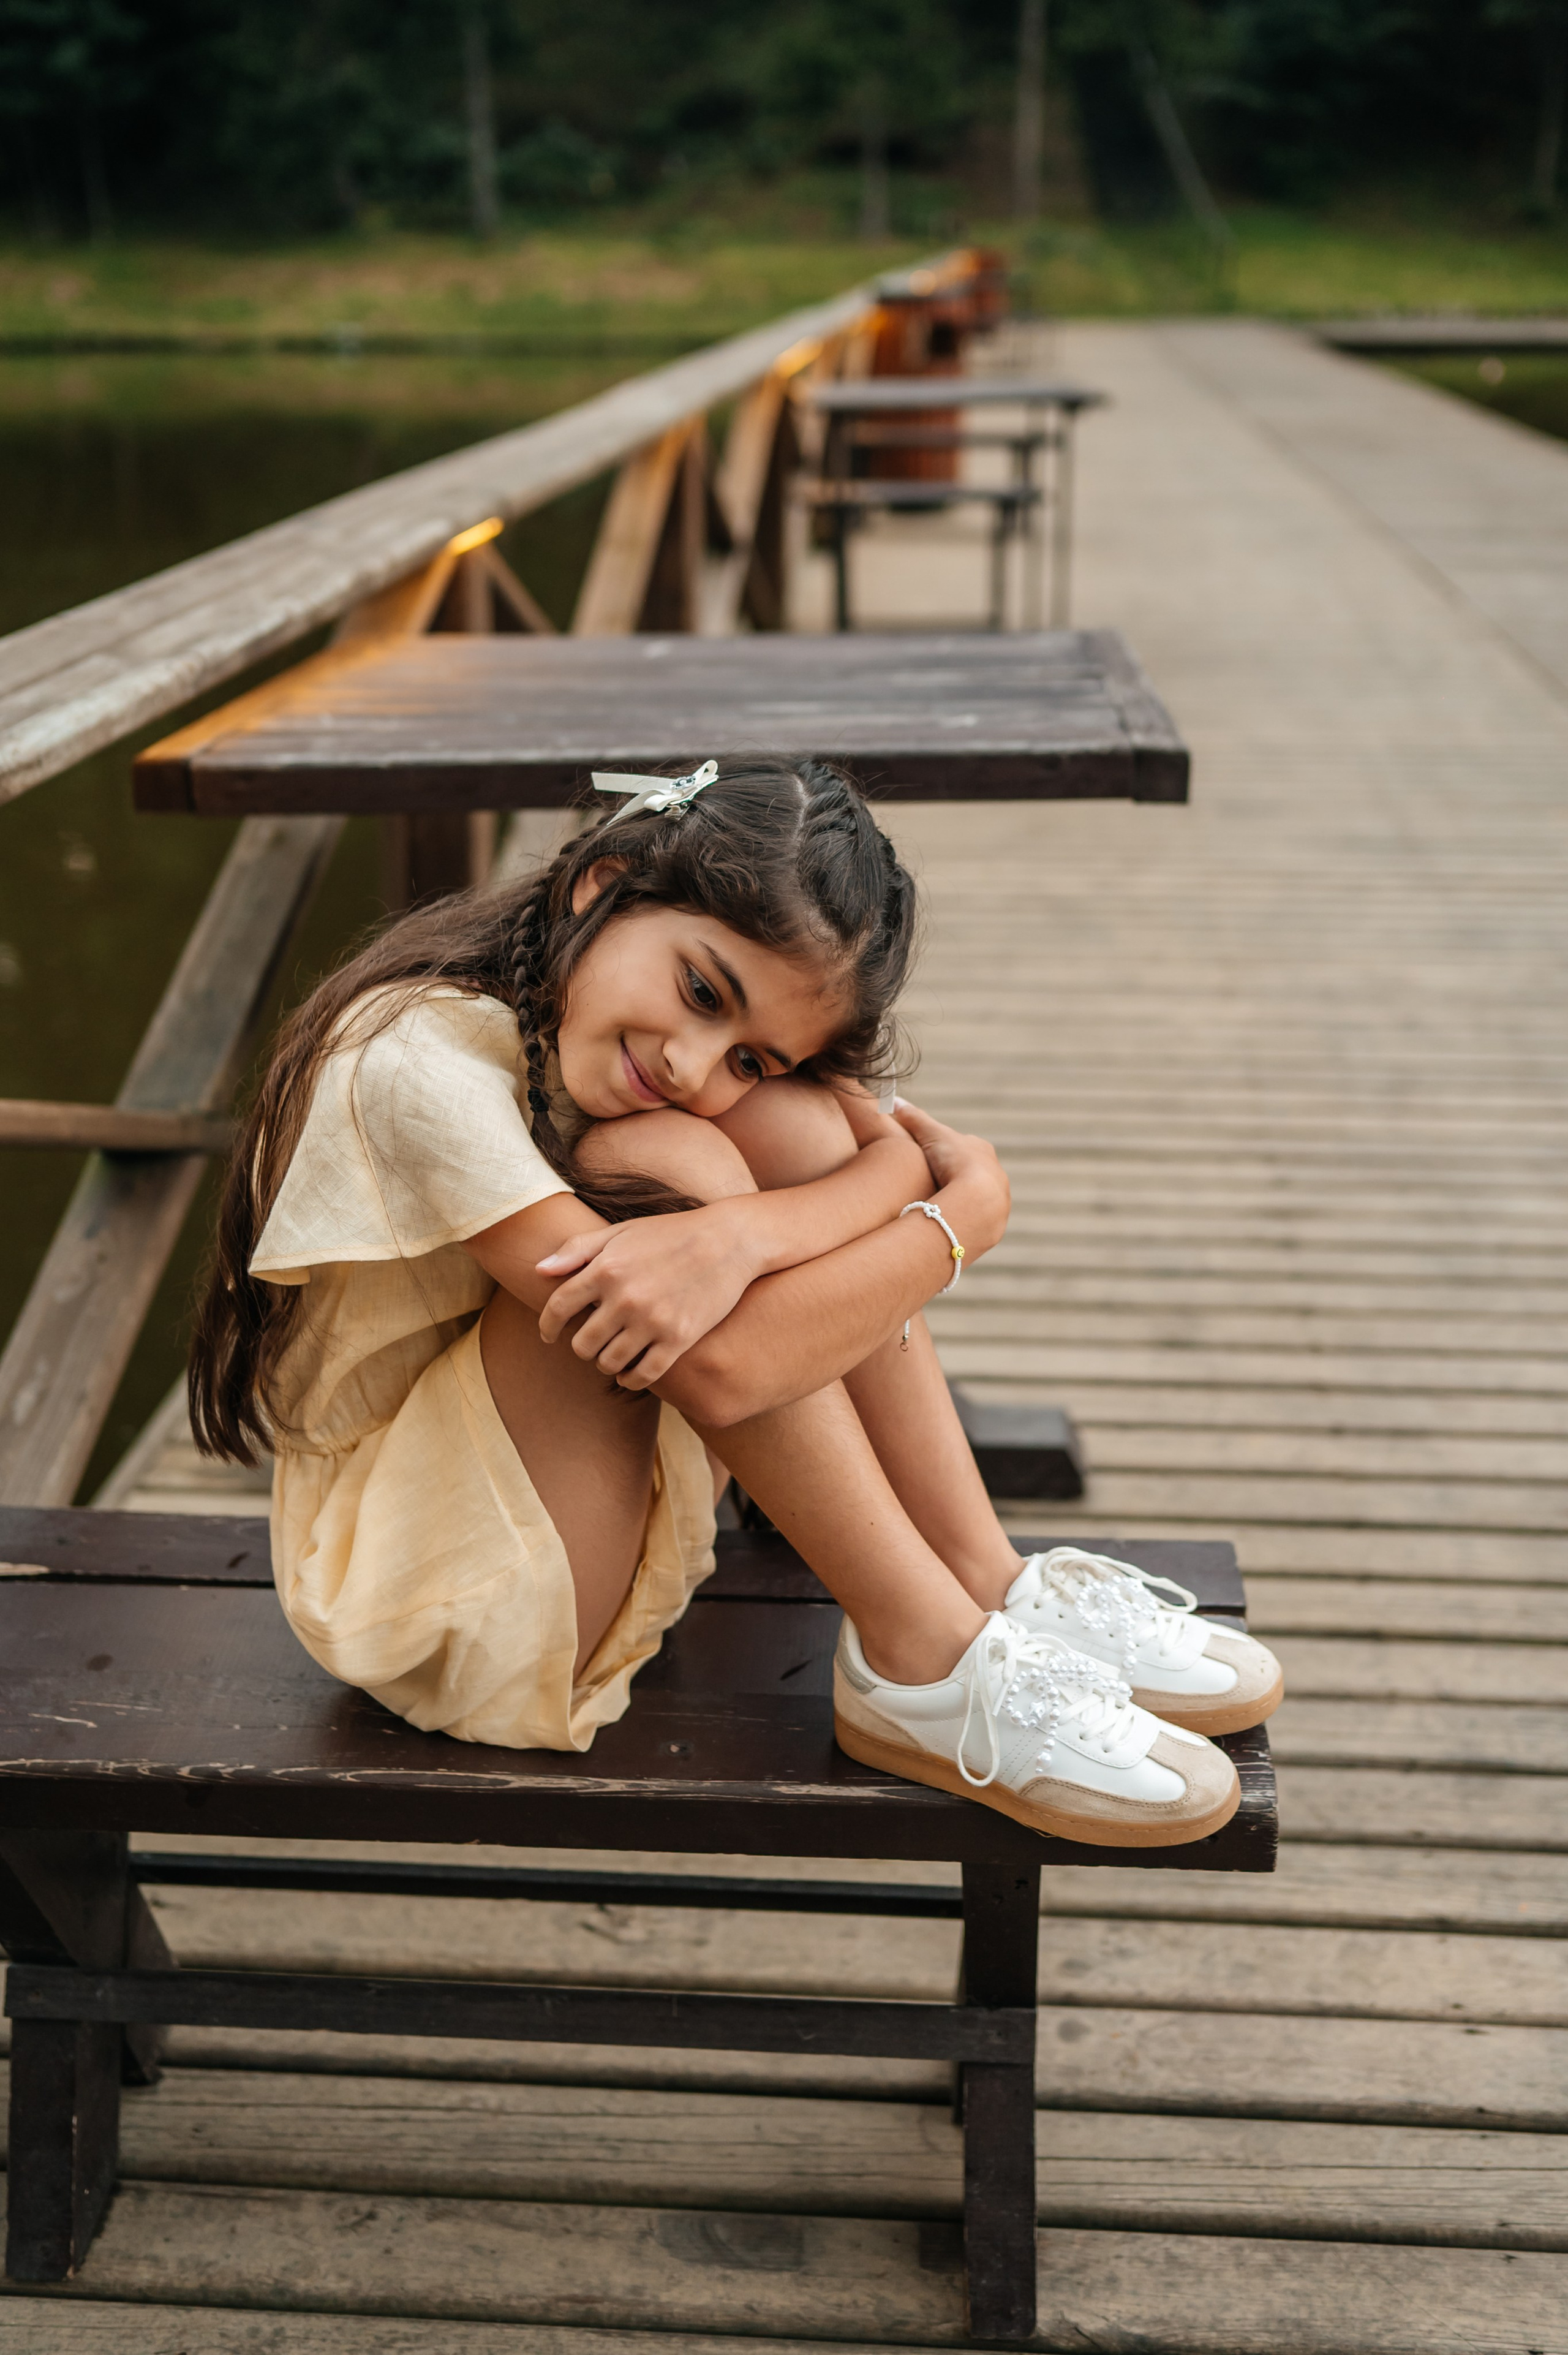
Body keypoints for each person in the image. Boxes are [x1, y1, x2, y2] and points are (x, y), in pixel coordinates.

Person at [189, 756, 1279, 1847]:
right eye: (703, 990)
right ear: (600, 884)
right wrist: (953, 1228)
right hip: (438, 1605)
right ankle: (920, 1656)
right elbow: (723, 1364)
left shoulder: (575, 1009)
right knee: (668, 1165)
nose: (695, 1059)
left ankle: (981, 1576)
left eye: (750, 1051)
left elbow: (866, 1141)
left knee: (787, 1131)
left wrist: (756, 1230)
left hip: (565, 1509)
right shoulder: (412, 1058)